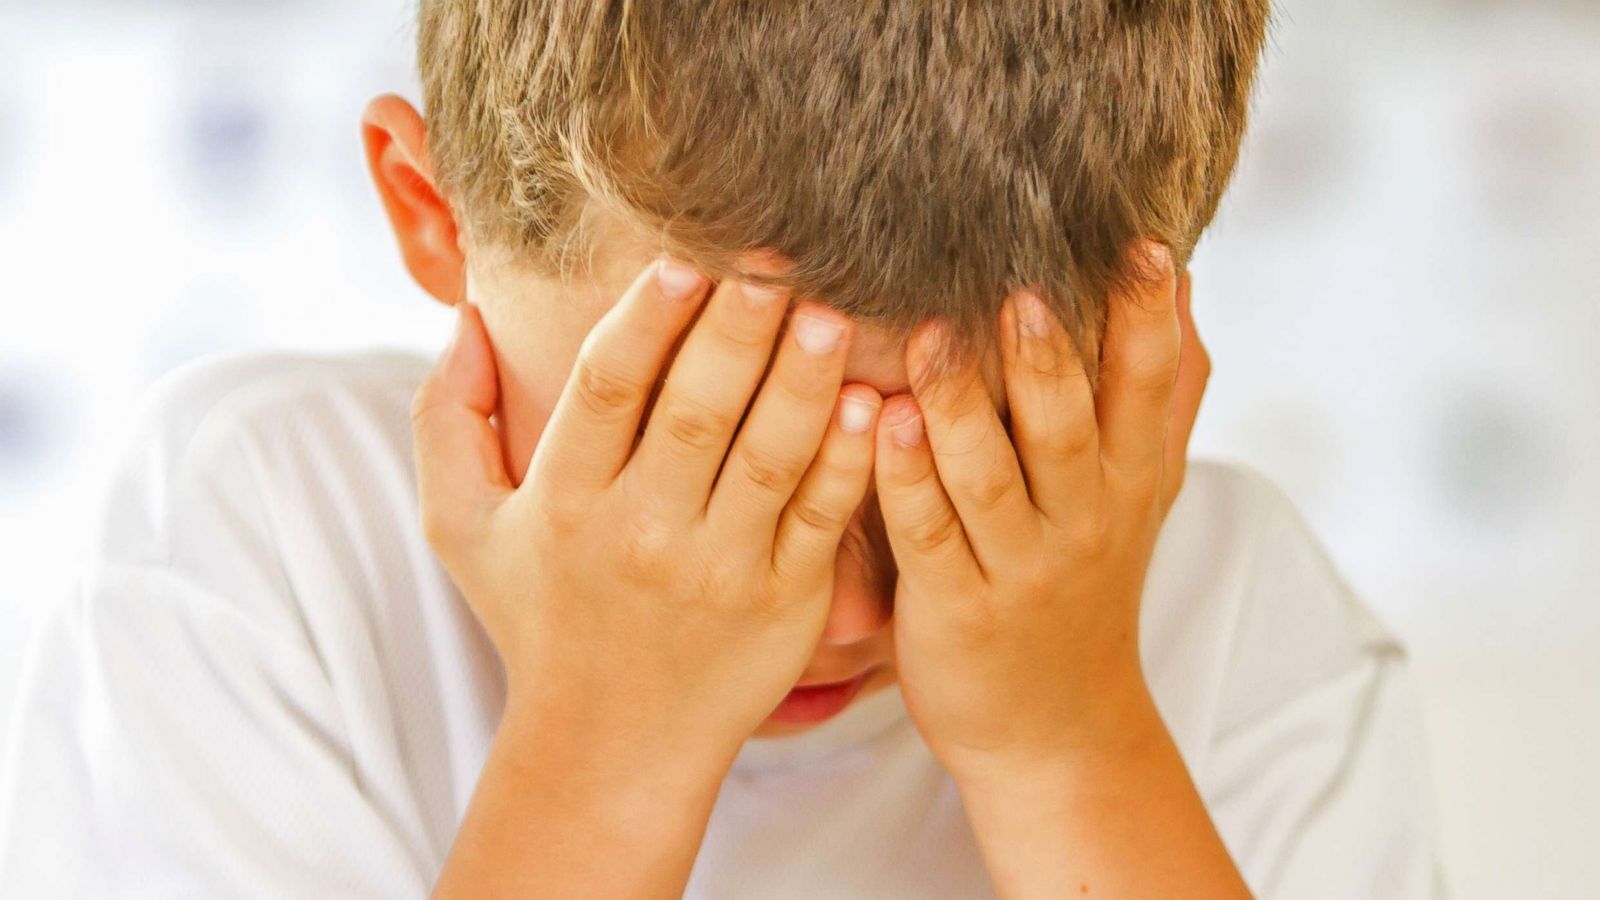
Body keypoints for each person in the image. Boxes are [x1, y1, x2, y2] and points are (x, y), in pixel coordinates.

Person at [0, 1, 1441, 897]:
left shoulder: (1241, 623)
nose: (827, 613)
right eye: (711, 456)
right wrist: (609, 742)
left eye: (953, 481)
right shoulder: (262, 545)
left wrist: (1067, 748)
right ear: (433, 216)